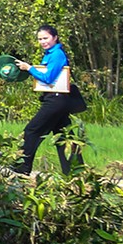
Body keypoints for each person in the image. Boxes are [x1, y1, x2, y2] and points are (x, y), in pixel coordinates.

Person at [13, 25, 83, 175]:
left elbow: (48, 78)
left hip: (56, 100)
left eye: (46, 38)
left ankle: (22, 169)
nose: (43, 41)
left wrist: (29, 68)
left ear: (55, 37)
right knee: (64, 137)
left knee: (31, 131)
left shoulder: (57, 54)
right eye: (40, 39)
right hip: (56, 99)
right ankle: (76, 172)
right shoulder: (49, 54)